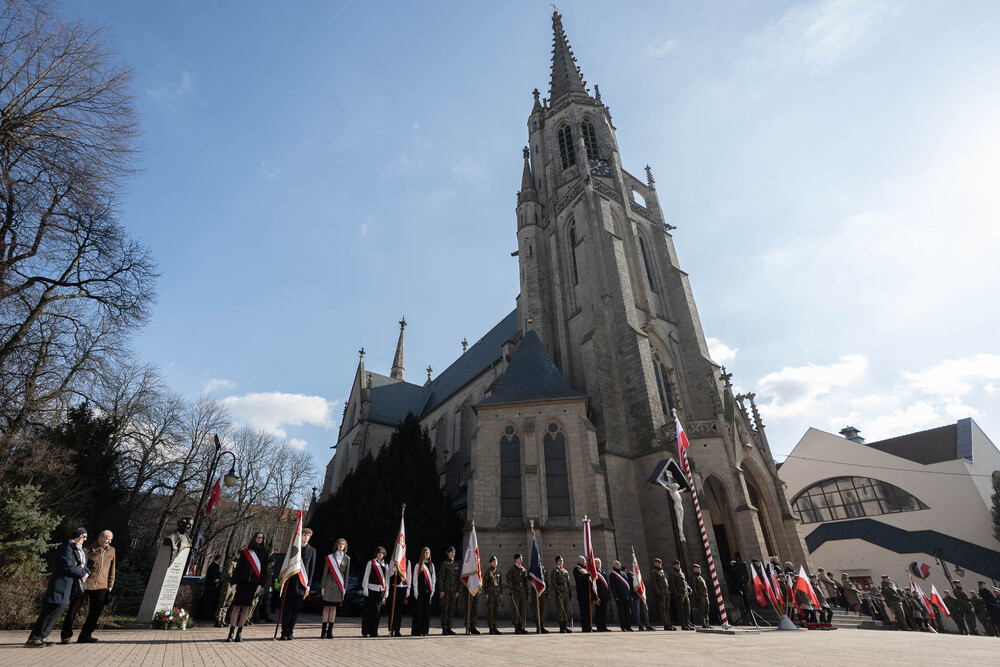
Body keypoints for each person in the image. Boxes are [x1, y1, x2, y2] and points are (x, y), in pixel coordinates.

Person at [25, 528, 90, 648]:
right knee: (50, 610)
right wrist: (82, 573)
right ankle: (34, 638)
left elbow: (84, 566)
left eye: (86, 537)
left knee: (57, 611)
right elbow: (67, 566)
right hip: (60, 584)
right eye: (83, 536)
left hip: (70, 586)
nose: (85, 539)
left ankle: (43, 636)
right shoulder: (66, 548)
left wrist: (87, 573)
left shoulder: (82, 550)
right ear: (76, 536)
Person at [62, 529, 115, 644]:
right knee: (73, 610)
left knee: (95, 613)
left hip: (102, 586)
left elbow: (112, 568)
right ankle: (66, 635)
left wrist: (110, 584)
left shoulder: (112, 551)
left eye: (110, 540)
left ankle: (85, 635)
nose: (109, 542)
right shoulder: (87, 550)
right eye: (107, 539)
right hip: (85, 584)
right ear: (100, 538)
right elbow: (80, 565)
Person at [227, 532, 267, 642]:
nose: (259, 539)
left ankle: (239, 632)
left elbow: (263, 570)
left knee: (246, 608)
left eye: (261, 538)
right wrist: (234, 582)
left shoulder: (264, 553)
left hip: (253, 584)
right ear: (254, 538)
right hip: (242, 582)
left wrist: (260, 584)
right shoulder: (246, 552)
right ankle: (231, 631)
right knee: (236, 607)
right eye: (258, 537)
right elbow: (238, 567)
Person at [320, 537, 350, 638]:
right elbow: (324, 572)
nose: (341, 546)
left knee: (333, 607)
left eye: (343, 545)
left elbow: (346, 574)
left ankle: (330, 631)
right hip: (329, 584)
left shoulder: (347, 558)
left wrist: (345, 587)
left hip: (339, 585)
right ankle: (323, 631)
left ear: (345, 546)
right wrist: (323, 586)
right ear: (336, 545)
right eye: (339, 544)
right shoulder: (330, 557)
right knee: (326, 606)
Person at [362, 546, 388, 637]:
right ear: (376, 553)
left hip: (380, 590)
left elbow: (386, 578)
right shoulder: (371, 563)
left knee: (377, 611)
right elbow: (366, 575)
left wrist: (386, 590)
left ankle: (374, 631)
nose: (381, 554)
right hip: (371, 588)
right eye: (379, 552)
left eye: (382, 553)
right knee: (368, 610)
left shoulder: (385, 565)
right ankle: (366, 631)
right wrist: (365, 587)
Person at [410, 547, 435, 636]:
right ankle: (417, 631)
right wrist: (415, 590)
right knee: (419, 612)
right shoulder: (418, 565)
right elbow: (415, 579)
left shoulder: (431, 565)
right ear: (422, 554)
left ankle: (425, 631)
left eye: (428, 553)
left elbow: (433, 579)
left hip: (428, 591)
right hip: (420, 591)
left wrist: (433, 590)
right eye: (425, 553)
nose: (427, 554)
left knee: (426, 612)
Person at [439, 545, 460, 635]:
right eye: (451, 552)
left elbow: (458, 579)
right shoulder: (444, 564)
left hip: (453, 591)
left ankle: (449, 627)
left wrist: (458, 590)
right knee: (445, 609)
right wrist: (441, 590)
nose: (453, 553)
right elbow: (440, 578)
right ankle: (444, 628)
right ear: (448, 553)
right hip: (446, 591)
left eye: (454, 552)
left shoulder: (456, 565)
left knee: (451, 609)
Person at [649, 558, 675, 630]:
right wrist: (658, 592)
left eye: (660, 563)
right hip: (661, 592)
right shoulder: (654, 572)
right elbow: (654, 583)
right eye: (658, 563)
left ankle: (669, 623)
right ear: (655, 563)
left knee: (667, 608)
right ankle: (665, 624)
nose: (660, 564)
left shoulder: (662, 571)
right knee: (663, 609)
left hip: (666, 592)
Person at [388, 556, 410, 637]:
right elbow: (389, 574)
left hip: (403, 587)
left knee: (399, 610)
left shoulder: (407, 561)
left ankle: (397, 630)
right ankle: (391, 630)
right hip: (394, 587)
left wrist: (408, 588)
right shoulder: (393, 561)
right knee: (393, 609)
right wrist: (395, 567)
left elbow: (409, 575)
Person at [506, 553, 528, 634]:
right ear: (515, 559)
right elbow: (508, 578)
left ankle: (521, 626)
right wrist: (511, 588)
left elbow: (525, 581)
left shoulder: (523, 569)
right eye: (519, 558)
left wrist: (527, 592)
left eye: (521, 558)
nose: (521, 560)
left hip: (522, 591)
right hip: (515, 591)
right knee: (516, 609)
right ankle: (516, 627)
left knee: (522, 609)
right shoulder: (512, 569)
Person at [669, 560, 694, 631]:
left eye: (679, 564)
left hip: (685, 592)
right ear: (674, 566)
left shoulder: (681, 573)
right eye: (677, 565)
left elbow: (685, 582)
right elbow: (672, 584)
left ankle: (688, 623)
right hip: (679, 593)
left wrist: (689, 588)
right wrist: (675, 592)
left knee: (687, 609)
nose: (678, 566)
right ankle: (683, 624)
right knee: (681, 610)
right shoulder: (673, 573)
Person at [551, 556, 573, 633]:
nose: (561, 562)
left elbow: (569, 582)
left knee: (566, 609)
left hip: (566, 591)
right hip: (560, 592)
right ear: (556, 562)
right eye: (560, 561)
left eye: (562, 560)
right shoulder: (555, 570)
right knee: (560, 609)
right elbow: (553, 581)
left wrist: (570, 591)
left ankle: (565, 625)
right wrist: (557, 589)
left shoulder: (565, 571)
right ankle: (561, 627)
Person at [609, 560, 633, 631]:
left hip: (627, 595)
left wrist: (630, 594)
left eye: (619, 564)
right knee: (621, 612)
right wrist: (615, 596)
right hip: (619, 596)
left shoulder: (624, 574)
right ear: (614, 566)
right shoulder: (612, 574)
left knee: (628, 612)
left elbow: (628, 584)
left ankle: (628, 626)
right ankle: (623, 627)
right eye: (616, 564)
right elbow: (613, 586)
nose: (618, 565)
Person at [573, 555, 593, 632]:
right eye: (584, 561)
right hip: (582, 594)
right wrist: (587, 575)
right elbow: (579, 579)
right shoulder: (576, 569)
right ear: (580, 561)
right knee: (584, 612)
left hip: (588, 594)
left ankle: (589, 626)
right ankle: (585, 627)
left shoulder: (584, 570)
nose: (585, 563)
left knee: (588, 612)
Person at [200, 554, 223, 620]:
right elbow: (214, 576)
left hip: (212, 586)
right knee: (207, 600)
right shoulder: (213, 566)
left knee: (209, 600)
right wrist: (216, 579)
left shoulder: (215, 565)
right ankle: (204, 615)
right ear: (219, 559)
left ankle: (207, 614)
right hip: (210, 586)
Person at [484, 556, 503, 634]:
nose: (495, 563)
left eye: (496, 561)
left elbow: (500, 583)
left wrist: (501, 593)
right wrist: (486, 593)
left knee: (496, 611)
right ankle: (491, 628)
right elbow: (485, 583)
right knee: (490, 611)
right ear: (491, 562)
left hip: (497, 594)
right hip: (490, 594)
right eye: (494, 561)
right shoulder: (488, 571)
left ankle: (495, 626)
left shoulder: (498, 571)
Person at [593, 558, 611, 632]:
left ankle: (604, 626)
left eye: (599, 563)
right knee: (598, 612)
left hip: (605, 596)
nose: (598, 564)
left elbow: (606, 585)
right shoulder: (595, 573)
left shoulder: (603, 572)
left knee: (604, 612)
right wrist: (596, 596)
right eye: (597, 563)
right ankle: (599, 626)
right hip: (598, 596)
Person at [691, 564, 711, 628]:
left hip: (705, 595)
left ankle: (707, 623)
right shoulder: (694, 578)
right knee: (702, 611)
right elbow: (694, 588)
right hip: (701, 596)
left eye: (699, 569)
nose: (699, 570)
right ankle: (704, 623)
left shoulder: (701, 578)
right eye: (697, 569)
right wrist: (697, 597)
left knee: (706, 610)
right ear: (694, 569)